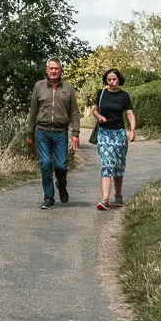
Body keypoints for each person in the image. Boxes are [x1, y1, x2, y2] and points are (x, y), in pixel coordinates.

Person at [26, 57, 80, 210]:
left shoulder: (68, 88)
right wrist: (30, 133)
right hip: (42, 131)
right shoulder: (39, 86)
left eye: (57, 68)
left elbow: (74, 113)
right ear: (46, 70)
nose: (54, 71)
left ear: (61, 70)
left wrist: (75, 133)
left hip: (60, 132)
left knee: (61, 166)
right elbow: (33, 111)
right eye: (51, 68)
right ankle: (48, 198)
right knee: (45, 164)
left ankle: (61, 186)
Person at [91, 68, 136, 210]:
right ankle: (105, 200)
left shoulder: (124, 96)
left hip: (119, 134)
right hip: (104, 133)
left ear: (119, 80)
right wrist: (99, 117)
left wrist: (132, 130)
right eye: (109, 80)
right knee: (106, 165)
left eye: (114, 79)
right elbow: (94, 109)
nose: (111, 82)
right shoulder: (101, 93)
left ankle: (118, 195)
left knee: (118, 166)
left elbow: (130, 114)